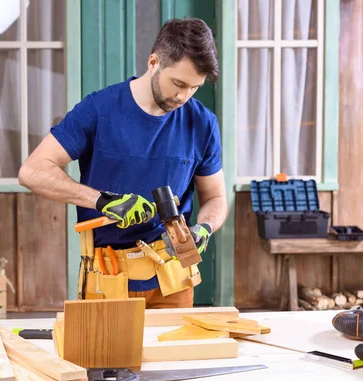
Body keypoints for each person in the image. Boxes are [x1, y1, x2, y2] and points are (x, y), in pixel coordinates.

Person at [18, 17, 228, 308]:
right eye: (178, 84)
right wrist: (103, 200)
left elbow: (216, 196)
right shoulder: (98, 109)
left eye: (195, 87)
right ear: (153, 62)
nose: (184, 96)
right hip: (109, 277)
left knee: (177, 354)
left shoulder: (202, 122)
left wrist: (205, 227)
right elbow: (32, 171)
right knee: (105, 354)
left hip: (174, 280)